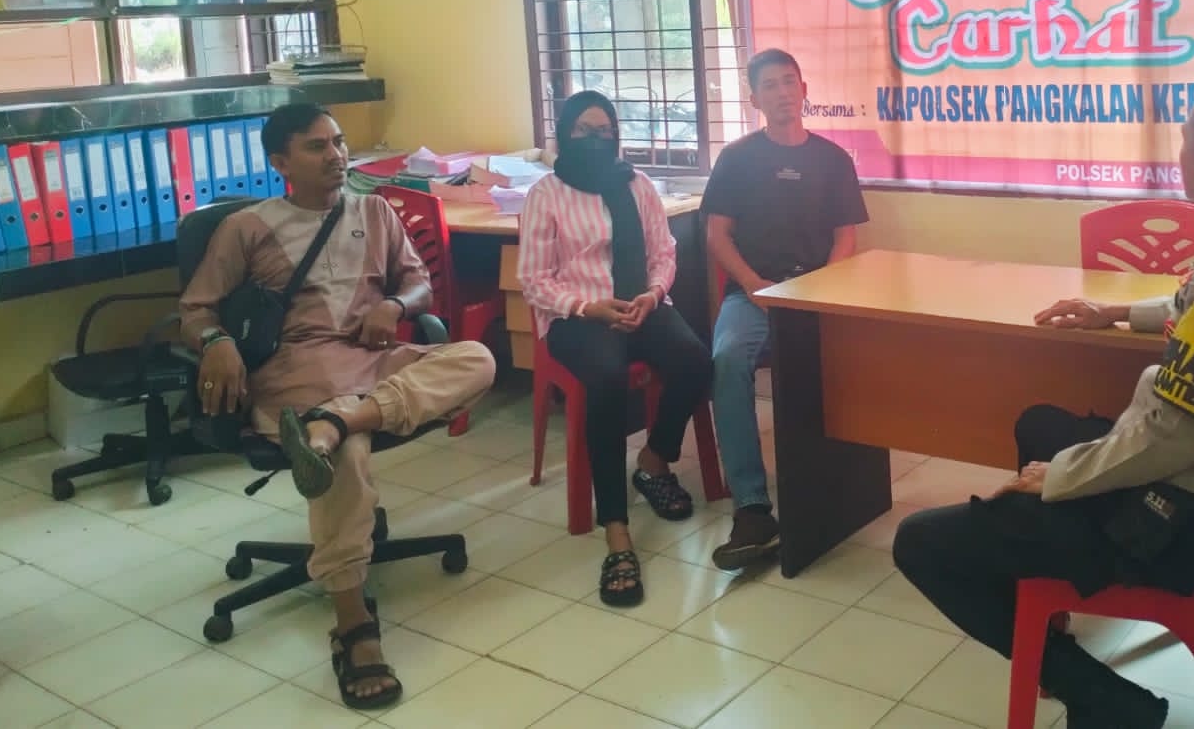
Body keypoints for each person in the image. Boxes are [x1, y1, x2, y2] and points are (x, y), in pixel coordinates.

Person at [893, 80, 1194, 729]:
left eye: (1186, 143)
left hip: (1176, 519)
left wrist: (1063, 476)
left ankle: (1107, 700)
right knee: (1038, 424)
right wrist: (1115, 313)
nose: (1179, 154)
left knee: (920, 543)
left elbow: (1173, 438)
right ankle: (1051, 609)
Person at [181, 104, 495, 713]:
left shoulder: (375, 211)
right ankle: (353, 625)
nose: (336, 155)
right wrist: (216, 341)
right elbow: (197, 308)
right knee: (343, 457)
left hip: (373, 359)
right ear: (281, 162)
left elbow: (419, 282)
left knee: (477, 358)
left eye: (339, 142)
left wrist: (396, 306)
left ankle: (338, 422)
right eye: (316, 146)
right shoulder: (247, 227)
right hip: (297, 372)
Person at [519, 91, 713, 607]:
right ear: (565, 134)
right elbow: (534, 280)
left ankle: (653, 459)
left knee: (696, 359)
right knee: (605, 379)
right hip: (578, 315)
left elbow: (664, 252)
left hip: (640, 303)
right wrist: (588, 307)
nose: (596, 139)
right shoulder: (546, 194)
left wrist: (654, 294)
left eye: (605, 130)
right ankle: (616, 528)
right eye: (584, 131)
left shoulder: (638, 184)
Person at [702, 48, 869, 569]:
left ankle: (836, 489)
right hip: (752, 295)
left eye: (789, 82)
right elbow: (716, 235)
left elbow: (846, 238)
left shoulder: (833, 159)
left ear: (804, 90)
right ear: (754, 99)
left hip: (817, 294)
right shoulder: (736, 159)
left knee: (855, 360)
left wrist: (821, 289)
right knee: (727, 359)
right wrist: (753, 284)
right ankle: (752, 508)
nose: (782, 93)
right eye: (770, 85)